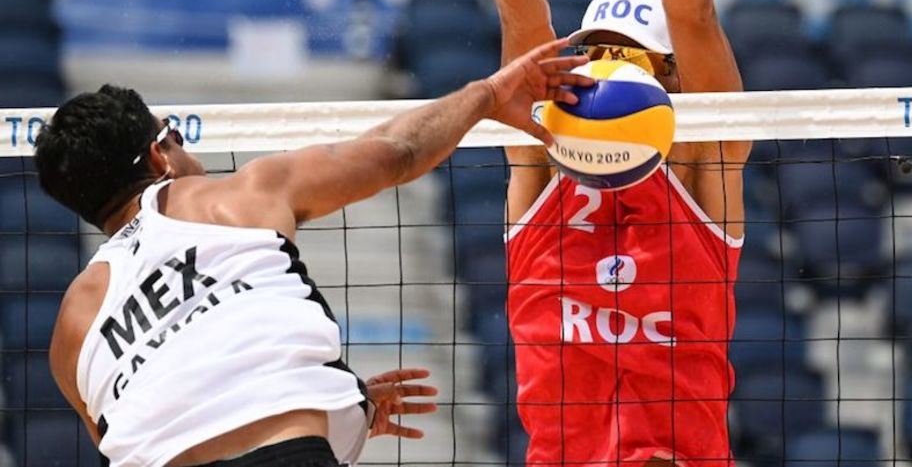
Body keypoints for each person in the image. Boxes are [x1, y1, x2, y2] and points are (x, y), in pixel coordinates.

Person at [396, 0, 749, 467]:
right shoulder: (542, 159)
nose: (600, 66)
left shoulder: (705, 161)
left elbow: (694, 10)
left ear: (674, 80)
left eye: (628, 54)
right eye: (596, 49)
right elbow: (526, 26)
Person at [36, 39, 592, 467]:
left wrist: (342, 406)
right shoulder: (238, 195)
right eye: (175, 135)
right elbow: (399, 152)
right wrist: (489, 95)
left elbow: (151, 426)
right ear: (159, 158)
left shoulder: (71, 327)